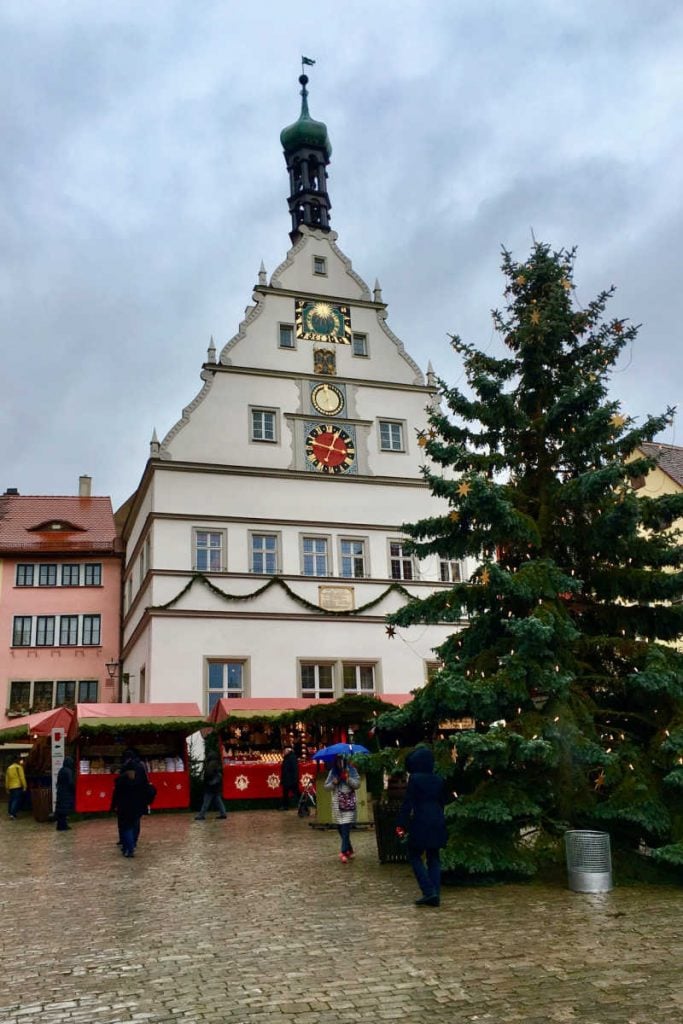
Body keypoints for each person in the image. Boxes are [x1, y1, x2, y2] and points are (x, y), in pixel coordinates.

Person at [395, 746, 447, 907]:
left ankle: (428, 890)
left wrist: (401, 823)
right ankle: (435, 892)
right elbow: (443, 800)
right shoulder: (438, 779)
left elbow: (408, 803)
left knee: (414, 855)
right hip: (437, 818)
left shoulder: (415, 779)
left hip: (421, 819)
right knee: (434, 857)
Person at [324, 754, 361, 863]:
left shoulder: (352, 770)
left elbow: (357, 784)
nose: (340, 763)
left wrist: (348, 779)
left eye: (342, 760)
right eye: (338, 760)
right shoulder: (332, 772)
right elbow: (326, 786)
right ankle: (349, 849)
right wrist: (333, 783)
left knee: (346, 826)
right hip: (337, 803)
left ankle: (343, 851)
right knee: (340, 827)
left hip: (348, 802)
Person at [111, 759, 146, 857]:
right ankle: (132, 845)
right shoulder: (139, 781)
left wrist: (113, 806)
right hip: (135, 807)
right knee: (134, 826)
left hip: (124, 808)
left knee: (126, 828)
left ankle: (128, 848)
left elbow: (116, 795)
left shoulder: (120, 781)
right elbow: (146, 792)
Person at [195, 755, 227, 820]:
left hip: (210, 787)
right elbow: (220, 776)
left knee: (206, 802)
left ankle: (201, 815)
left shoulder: (210, 765)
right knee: (219, 802)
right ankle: (223, 814)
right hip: (216, 787)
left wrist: (208, 782)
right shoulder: (218, 765)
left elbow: (208, 775)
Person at [54, 755, 75, 831]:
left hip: (60, 792)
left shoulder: (61, 770)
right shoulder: (69, 771)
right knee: (64, 810)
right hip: (66, 793)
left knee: (60, 809)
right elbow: (70, 782)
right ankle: (64, 826)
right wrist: (73, 790)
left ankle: (60, 825)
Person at [5, 753, 27, 819]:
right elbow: (22, 777)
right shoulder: (19, 767)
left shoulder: (9, 768)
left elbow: (7, 779)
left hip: (11, 786)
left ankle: (10, 812)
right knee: (16, 800)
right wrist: (25, 786)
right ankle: (13, 813)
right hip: (17, 786)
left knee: (11, 799)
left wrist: (7, 788)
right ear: (17, 760)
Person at [279, 746, 299, 810]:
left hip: (290, 779)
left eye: (285, 751)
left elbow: (295, 769)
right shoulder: (287, 758)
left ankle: (302, 804)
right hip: (287, 778)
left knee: (296, 793)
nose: (284, 752)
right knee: (286, 793)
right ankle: (285, 805)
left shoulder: (292, 758)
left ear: (288, 751)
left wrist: (295, 779)